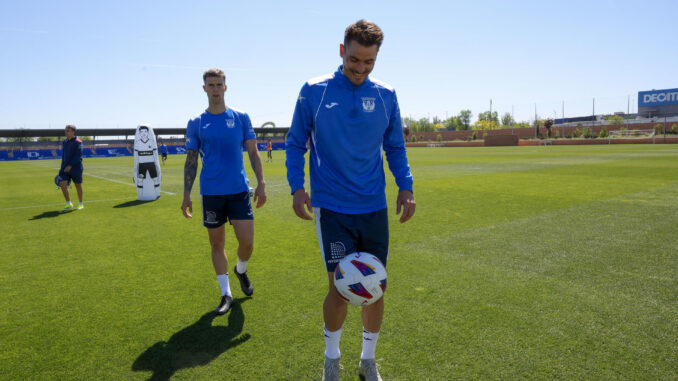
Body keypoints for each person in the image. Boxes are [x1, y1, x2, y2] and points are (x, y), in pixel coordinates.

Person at [285, 19, 416, 381]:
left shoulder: (387, 95)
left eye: (369, 62)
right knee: (340, 289)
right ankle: (331, 359)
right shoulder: (315, 91)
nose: (360, 69)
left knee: (374, 287)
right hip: (333, 209)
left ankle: (368, 360)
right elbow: (295, 142)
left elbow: (395, 146)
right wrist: (297, 187)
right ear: (342, 51)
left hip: (373, 206)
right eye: (355, 60)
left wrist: (405, 185)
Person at [182, 68, 267, 316]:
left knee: (247, 242)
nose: (216, 89)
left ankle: (241, 270)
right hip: (211, 193)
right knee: (217, 244)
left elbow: (253, 152)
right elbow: (191, 160)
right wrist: (187, 194)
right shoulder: (196, 123)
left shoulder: (241, 118)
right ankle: (226, 293)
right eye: (211, 85)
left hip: (239, 190)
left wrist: (261, 182)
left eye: (219, 84)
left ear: (225, 87)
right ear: (204, 89)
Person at [59, 125, 84, 211]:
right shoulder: (65, 141)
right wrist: (62, 168)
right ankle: (68, 203)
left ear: (73, 132)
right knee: (62, 184)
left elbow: (78, 156)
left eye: (68, 131)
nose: (66, 132)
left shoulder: (78, 142)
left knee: (77, 185)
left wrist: (70, 165)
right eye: (65, 130)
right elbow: (64, 156)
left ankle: (80, 204)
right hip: (65, 168)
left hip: (76, 168)